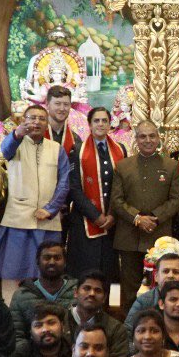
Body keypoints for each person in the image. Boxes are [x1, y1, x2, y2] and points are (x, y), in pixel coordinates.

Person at [0, 105, 71, 290]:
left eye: (42, 118)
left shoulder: (57, 148)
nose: (37, 122)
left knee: (48, 271)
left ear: (47, 122)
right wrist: (17, 134)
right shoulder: (14, 143)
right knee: (12, 272)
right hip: (18, 219)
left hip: (48, 221)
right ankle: (12, 313)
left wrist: (50, 209)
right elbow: (5, 150)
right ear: (23, 120)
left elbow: (64, 182)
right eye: (32, 118)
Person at [63, 108, 124, 289]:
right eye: (96, 121)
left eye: (104, 121)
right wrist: (95, 216)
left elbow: (122, 187)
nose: (100, 124)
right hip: (84, 221)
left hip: (112, 223)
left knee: (111, 272)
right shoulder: (77, 150)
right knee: (85, 271)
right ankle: (82, 311)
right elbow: (73, 188)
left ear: (110, 124)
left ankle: (112, 309)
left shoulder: (120, 149)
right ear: (89, 124)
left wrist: (112, 215)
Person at [7, 239, 77, 342]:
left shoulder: (78, 291)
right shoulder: (21, 295)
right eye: (47, 258)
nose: (52, 262)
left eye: (57, 258)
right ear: (37, 262)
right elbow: (16, 336)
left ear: (65, 262)